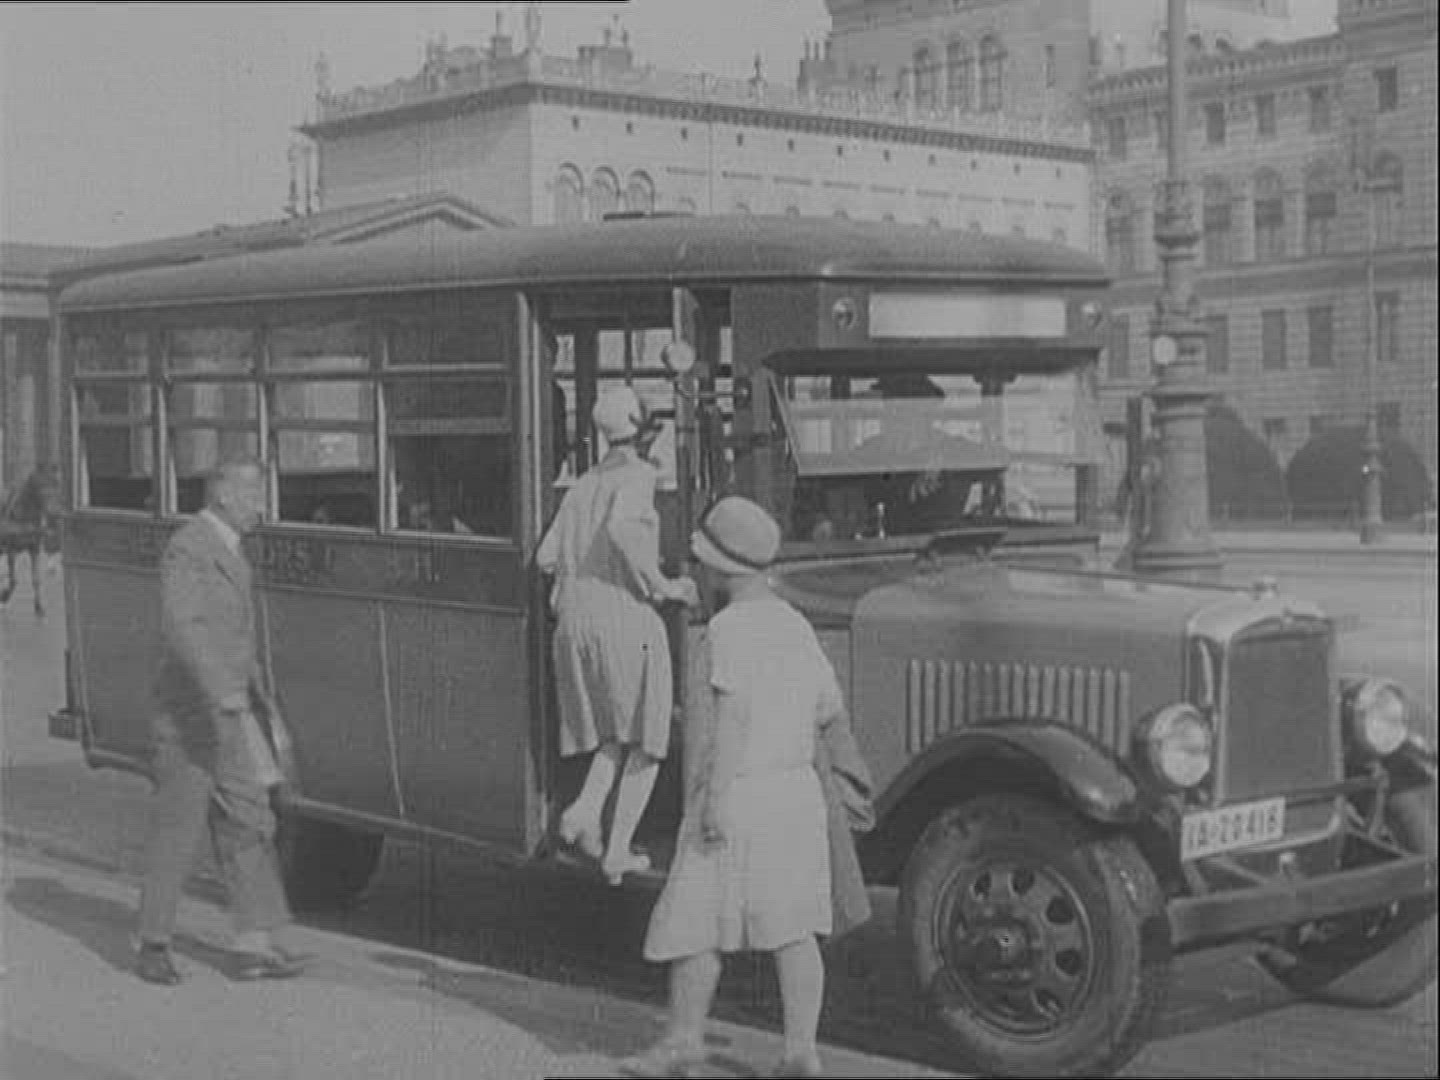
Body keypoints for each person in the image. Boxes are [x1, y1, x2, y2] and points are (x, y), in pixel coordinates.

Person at [623, 496, 850, 1080]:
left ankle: (682, 1042)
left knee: (695, 922)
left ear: (720, 569)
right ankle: (801, 1052)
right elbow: (828, 708)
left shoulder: (725, 631)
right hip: (794, 793)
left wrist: (715, 800)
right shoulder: (796, 624)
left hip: (740, 793)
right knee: (794, 930)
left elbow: (732, 720)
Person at [135, 456, 305, 985]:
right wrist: (221, 688)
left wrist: (256, 698)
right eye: (254, 494)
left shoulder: (230, 550)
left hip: (232, 716)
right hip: (190, 719)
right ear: (224, 494)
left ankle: (253, 944)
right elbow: (182, 625)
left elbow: (236, 638)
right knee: (179, 829)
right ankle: (153, 943)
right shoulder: (190, 547)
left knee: (251, 819)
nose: (262, 507)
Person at [536, 387, 698, 885]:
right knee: (650, 740)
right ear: (642, 431)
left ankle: (585, 812)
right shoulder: (638, 476)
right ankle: (618, 851)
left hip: (574, 620)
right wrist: (665, 585)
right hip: (624, 616)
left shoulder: (583, 484)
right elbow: (624, 532)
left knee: (614, 734)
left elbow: (546, 557)